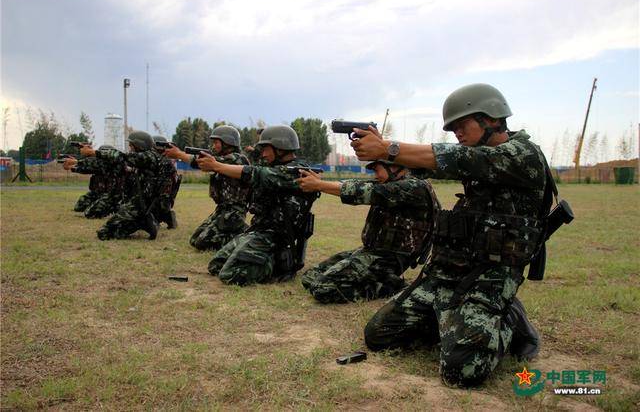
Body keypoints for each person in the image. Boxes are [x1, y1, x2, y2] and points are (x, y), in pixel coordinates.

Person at [352, 83, 550, 388]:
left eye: (462, 124)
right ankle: (452, 320)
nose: (457, 132)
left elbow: (458, 159)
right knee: (378, 335)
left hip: (489, 277)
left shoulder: (523, 155)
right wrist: (384, 154)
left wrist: (388, 147)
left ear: (493, 118)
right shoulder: (476, 156)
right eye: (453, 127)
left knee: (462, 371)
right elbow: (430, 162)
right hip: (447, 274)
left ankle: (509, 318)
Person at [296, 159, 439, 303]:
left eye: (377, 170)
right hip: (373, 251)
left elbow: (365, 191)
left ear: (394, 167)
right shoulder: (394, 184)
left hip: (391, 258)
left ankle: (389, 287)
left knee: (322, 288)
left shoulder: (413, 187)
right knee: (310, 277)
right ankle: (383, 279)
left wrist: (319, 185)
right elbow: (357, 184)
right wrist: (321, 182)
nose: (376, 175)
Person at [198, 125, 319, 286]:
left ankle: (280, 264)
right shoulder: (276, 168)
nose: (262, 154)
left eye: (265, 148)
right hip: (259, 231)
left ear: (280, 148)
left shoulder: (297, 172)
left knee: (230, 274)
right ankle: (266, 260)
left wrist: (216, 166)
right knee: (216, 265)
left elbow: (256, 173)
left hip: (275, 238)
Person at [163, 125, 250, 251]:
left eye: (216, 142)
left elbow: (205, 164)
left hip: (234, 212)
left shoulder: (237, 159)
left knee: (203, 243)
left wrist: (179, 154)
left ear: (227, 143)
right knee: (195, 239)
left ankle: (243, 234)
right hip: (222, 210)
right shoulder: (221, 161)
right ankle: (238, 232)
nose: (213, 146)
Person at [79, 131, 166, 240]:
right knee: (117, 231)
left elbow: (122, 157)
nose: (130, 148)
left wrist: (93, 152)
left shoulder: (148, 157)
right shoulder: (149, 157)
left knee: (104, 233)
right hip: (140, 204)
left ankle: (144, 221)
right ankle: (144, 222)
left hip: (138, 206)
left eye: (131, 145)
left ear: (140, 146)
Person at [64, 145, 124, 218]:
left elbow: (92, 164)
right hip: (98, 193)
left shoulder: (113, 165)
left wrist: (76, 162)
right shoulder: (100, 166)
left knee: (90, 213)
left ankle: (115, 207)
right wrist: (72, 168)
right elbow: (88, 169)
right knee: (79, 206)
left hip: (111, 195)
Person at [152, 135, 181, 229]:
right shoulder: (160, 160)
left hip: (163, 195)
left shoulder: (166, 161)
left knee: (159, 206)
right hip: (160, 193)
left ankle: (165, 218)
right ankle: (165, 217)